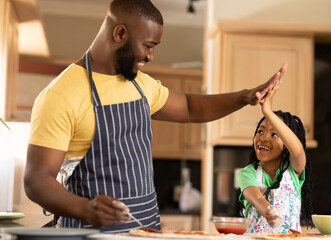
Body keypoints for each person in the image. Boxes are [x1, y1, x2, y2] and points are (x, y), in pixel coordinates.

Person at [24, 0, 287, 233]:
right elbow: (37, 180)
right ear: (120, 33)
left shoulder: (140, 84)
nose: (151, 56)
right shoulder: (60, 96)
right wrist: (86, 208)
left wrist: (245, 97)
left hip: (147, 230)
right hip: (91, 233)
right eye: (148, 46)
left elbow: (189, 107)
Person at [236, 81, 313, 234]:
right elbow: (254, 196)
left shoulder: (294, 172)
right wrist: (268, 211)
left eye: (274, 134)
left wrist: (268, 113)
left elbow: (298, 151)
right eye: (260, 131)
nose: (263, 138)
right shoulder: (247, 173)